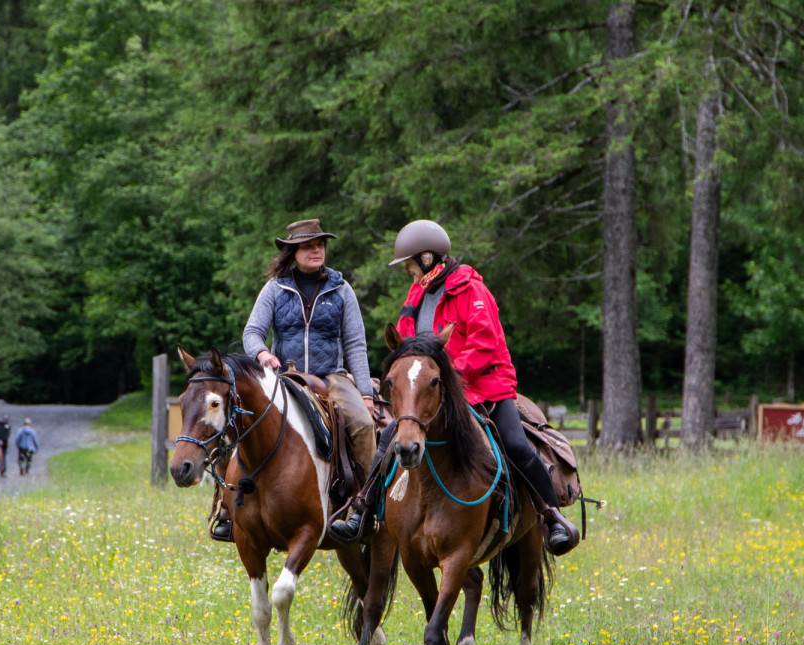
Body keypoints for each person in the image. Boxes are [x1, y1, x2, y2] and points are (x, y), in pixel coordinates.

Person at [331, 220, 580, 556]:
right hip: (433, 392)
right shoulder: (417, 293)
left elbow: (484, 343)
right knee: (389, 437)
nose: (407, 270)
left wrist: (449, 375)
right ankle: (363, 511)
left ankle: (552, 518)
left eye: (409, 263)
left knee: (515, 444)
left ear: (427, 258)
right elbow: (407, 342)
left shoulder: (471, 290)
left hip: (486, 387)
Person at [204, 218, 377, 542]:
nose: (316, 250)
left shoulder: (342, 289)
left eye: (320, 244)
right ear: (293, 252)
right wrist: (261, 354)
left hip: (331, 376)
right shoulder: (275, 288)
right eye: (308, 246)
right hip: (285, 376)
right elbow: (252, 332)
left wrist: (366, 394)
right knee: (238, 419)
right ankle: (228, 507)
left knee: (364, 425)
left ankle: (365, 507)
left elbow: (355, 344)